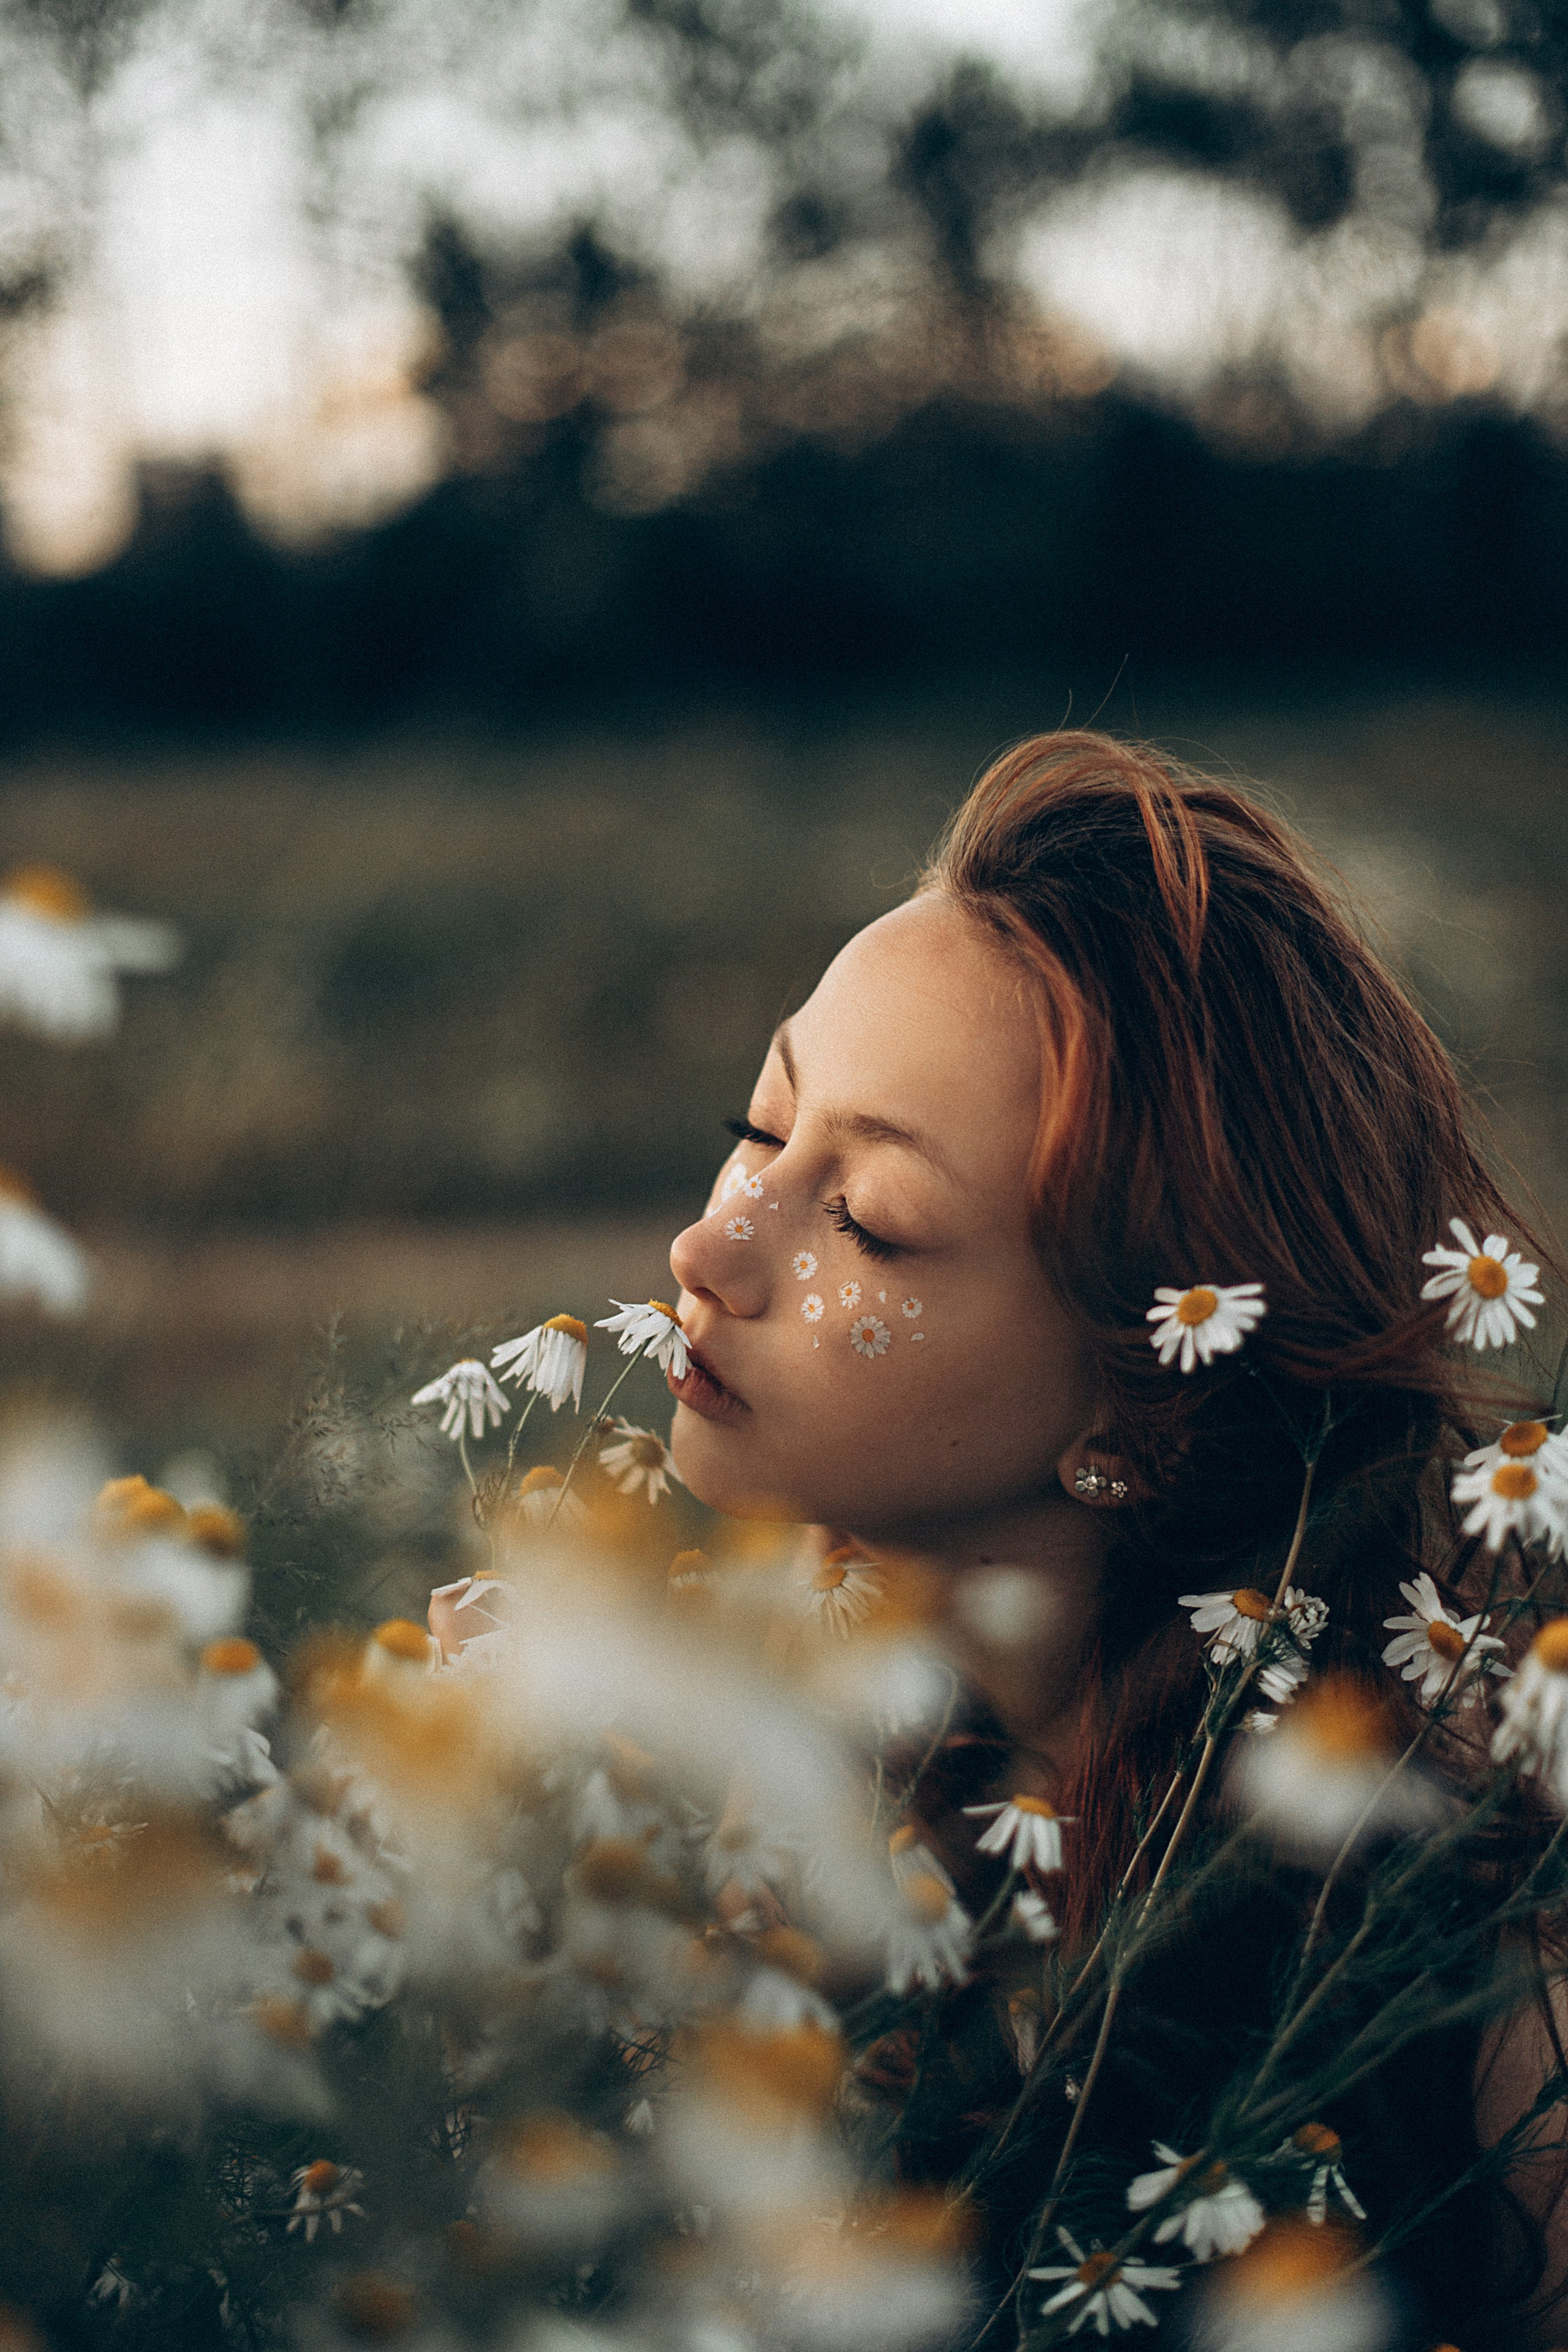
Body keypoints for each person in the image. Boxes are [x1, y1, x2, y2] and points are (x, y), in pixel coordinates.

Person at [657, 729, 1567, 2348]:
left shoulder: (1479, 2000)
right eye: (760, 1121)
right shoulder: (752, 1775)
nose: (710, 1244)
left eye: (868, 1218)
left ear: (1140, 1412)